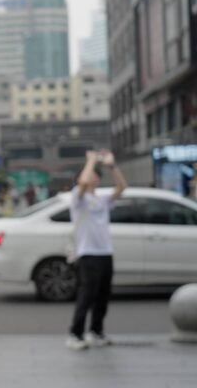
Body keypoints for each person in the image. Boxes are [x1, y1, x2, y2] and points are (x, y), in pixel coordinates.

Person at [66, 149, 127, 351]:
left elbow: (122, 187)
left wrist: (112, 166)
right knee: (87, 295)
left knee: (103, 295)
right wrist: (91, 161)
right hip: (87, 253)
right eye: (90, 174)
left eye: (95, 175)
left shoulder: (102, 199)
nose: (93, 177)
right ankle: (75, 334)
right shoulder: (78, 198)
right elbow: (82, 182)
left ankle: (96, 331)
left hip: (105, 252)